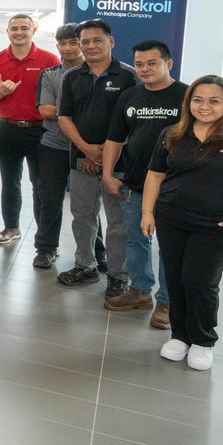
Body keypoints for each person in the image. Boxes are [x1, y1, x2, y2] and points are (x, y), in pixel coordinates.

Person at [141, 76, 223, 371]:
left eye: (214, 100)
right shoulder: (172, 134)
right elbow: (155, 175)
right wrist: (148, 212)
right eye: (198, 99)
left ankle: (202, 341)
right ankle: (180, 336)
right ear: (189, 102)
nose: (205, 106)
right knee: (174, 278)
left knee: (200, 282)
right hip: (172, 220)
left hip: (218, 227)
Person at [103, 40, 186, 326]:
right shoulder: (129, 96)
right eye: (139, 64)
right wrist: (108, 174)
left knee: (170, 246)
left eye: (152, 63)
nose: (145, 69)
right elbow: (114, 139)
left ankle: (167, 302)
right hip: (135, 183)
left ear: (168, 64)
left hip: (175, 189)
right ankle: (140, 290)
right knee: (135, 239)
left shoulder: (187, 97)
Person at [56, 19, 138, 299]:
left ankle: (118, 275)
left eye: (97, 40)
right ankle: (85, 265)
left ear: (111, 42)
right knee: (83, 216)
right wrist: (87, 148)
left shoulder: (129, 77)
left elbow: (135, 122)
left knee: (118, 222)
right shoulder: (71, 77)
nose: (90, 46)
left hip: (120, 165)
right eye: (85, 42)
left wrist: (108, 154)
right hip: (81, 158)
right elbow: (64, 117)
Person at [0, 13, 60, 245]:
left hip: (41, 131)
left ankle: (44, 238)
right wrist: (0, 93)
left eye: (24, 28)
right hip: (7, 129)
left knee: (41, 185)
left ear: (32, 31)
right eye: (14, 28)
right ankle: (11, 228)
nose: (19, 32)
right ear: (7, 32)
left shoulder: (49, 60)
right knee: (10, 182)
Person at [33, 24, 101, 271]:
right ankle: (46, 248)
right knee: (49, 199)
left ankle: (98, 252)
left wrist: (64, 113)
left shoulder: (97, 74)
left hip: (89, 149)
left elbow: (59, 110)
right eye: (63, 43)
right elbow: (45, 110)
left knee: (89, 204)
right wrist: (76, 113)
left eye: (74, 42)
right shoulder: (50, 74)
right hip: (54, 146)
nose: (69, 48)